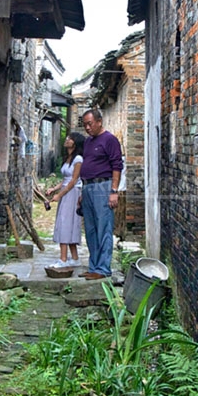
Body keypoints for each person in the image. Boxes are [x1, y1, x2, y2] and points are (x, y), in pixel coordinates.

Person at [78, 108, 124, 280]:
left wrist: (114, 191)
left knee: (103, 228)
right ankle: (93, 266)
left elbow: (117, 166)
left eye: (90, 124)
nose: (87, 128)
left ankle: (103, 268)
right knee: (90, 229)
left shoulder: (110, 140)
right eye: (85, 125)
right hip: (88, 187)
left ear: (99, 122)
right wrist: (83, 192)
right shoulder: (89, 142)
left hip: (103, 187)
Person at [45, 132, 85, 268]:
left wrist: (59, 195)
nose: (67, 140)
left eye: (70, 139)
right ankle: (74, 258)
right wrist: (54, 189)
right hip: (66, 190)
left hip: (72, 192)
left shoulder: (78, 159)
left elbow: (73, 181)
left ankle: (63, 259)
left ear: (75, 143)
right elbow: (65, 180)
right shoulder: (68, 158)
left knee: (65, 222)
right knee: (67, 222)